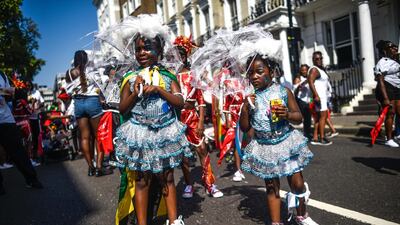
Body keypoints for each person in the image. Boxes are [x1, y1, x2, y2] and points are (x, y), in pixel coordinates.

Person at [114, 32, 191, 225]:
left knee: (167, 176)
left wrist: (158, 90)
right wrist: (135, 93)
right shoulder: (131, 78)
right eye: (138, 49)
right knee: (141, 180)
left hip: (163, 133)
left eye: (147, 48)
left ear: (159, 50)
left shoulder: (167, 77)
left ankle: (174, 221)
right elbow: (122, 108)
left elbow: (180, 102)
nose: (142, 52)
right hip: (140, 134)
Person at [240, 53, 317, 225]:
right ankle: (276, 222)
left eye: (259, 71)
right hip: (265, 145)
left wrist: (287, 114)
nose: (254, 77)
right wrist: (245, 109)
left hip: (286, 141)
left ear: (272, 72)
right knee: (271, 187)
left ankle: (302, 215)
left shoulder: (284, 92)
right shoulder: (250, 99)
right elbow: (245, 128)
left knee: (297, 183)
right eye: (250, 73)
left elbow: (299, 117)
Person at [174, 35, 223, 198]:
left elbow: (201, 101)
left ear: (186, 55)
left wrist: (201, 121)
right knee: (183, 154)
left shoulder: (194, 74)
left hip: (193, 116)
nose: (178, 57)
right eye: (175, 55)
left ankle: (210, 184)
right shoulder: (170, 76)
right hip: (176, 118)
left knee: (202, 149)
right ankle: (188, 185)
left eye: (181, 54)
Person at [65, 50, 112, 176]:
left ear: (74, 60)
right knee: (98, 136)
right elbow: (101, 84)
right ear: (86, 59)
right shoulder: (92, 71)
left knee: (84, 137)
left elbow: (67, 89)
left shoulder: (69, 73)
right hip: (92, 102)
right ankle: (99, 167)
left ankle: (90, 167)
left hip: (78, 104)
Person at [0, 70, 43, 195]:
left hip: (5, 118)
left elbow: (9, 94)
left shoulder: (2, 75)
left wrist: (17, 93)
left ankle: (31, 178)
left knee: (17, 150)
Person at [374, 40, 400, 147]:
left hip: (398, 88)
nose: (394, 49)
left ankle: (397, 135)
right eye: (391, 48)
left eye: (395, 47)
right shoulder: (382, 62)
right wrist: (385, 98)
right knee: (391, 113)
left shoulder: (396, 61)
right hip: (388, 87)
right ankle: (389, 139)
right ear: (385, 51)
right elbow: (380, 80)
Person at [308, 51, 333, 146]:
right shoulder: (314, 70)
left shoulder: (320, 69)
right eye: (316, 59)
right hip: (320, 98)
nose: (319, 60)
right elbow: (310, 82)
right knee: (323, 117)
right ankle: (321, 138)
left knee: (319, 119)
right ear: (313, 60)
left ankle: (315, 137)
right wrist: (316, 95)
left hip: (323, 97)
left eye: (320, 58)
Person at [293, 64, 312, 140]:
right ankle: (304, 134)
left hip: (309, 100)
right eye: (302, 70)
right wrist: (299, 86)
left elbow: (311, 92)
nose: (304, 71)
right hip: (301, 100)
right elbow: (294, 91)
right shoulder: (298, 79)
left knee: (308, 118)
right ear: (300, 71)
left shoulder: (310, 78)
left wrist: (311, 100)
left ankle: (307, 133)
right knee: (304, 118)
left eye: (306, 70)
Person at [27, 81, 44, 165]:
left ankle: (36, 155)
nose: (28, 87)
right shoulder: (24, 93)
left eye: (29, 85)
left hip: (35, 117)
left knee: (37, 135)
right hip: (27, 118)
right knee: (30, 137)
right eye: (27, 86)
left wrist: (37, 108)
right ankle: (31, 156)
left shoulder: (36, 92)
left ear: (32, 85)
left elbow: (43, 102)